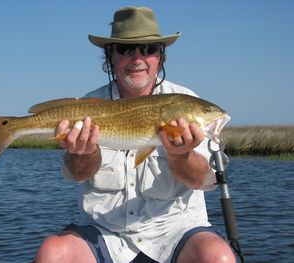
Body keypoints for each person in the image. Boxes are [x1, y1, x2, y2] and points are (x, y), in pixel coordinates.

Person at [35, 6, 236, 263]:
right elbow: (76, 174)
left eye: (149, 48)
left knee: (217, 257)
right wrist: (82, 155)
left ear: (160, 56)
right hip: (104, 233)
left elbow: (206, 181)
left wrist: (181, 156)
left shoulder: (187, 98)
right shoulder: (88, 105)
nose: (138, 57)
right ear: (111, 55)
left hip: (174, 232)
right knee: (52, 253)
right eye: (126, 49)